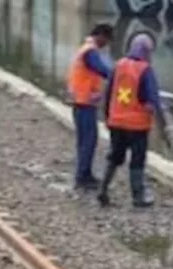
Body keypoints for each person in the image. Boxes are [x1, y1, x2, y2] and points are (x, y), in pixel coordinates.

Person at [98, 32, 171, 209]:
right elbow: (154, 100)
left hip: (116, 122)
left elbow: (108, 95)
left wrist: (107, 117)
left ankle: (103, 190)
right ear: (147, 51)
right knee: (137, 161)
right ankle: (138, 197)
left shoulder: (118, 66)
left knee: (115, 157)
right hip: (137, 126)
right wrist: (164, 127)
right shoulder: (145, 70)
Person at [67, 24, 114, 190]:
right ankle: (82, 177)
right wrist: (120, 77)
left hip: (81, 101)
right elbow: (102, 70)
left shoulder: (84, 48)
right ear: (101, 35)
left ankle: (84, 174)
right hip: (84, 102)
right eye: (107, 40)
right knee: (89, 140)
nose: (106, 44)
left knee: (84, 140)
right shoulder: (90, 51)